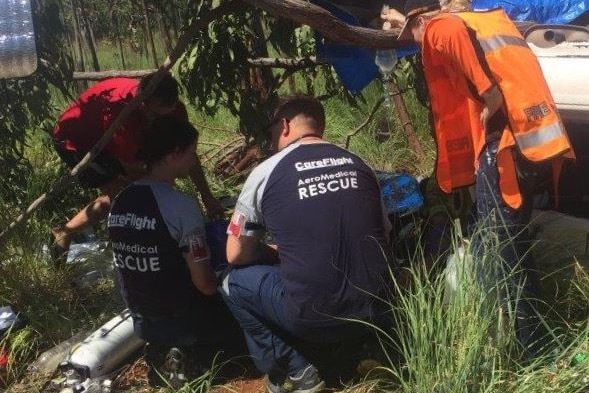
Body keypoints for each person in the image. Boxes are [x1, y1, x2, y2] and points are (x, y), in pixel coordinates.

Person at [390, 0, 574, 353]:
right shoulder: (491, 24)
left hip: (503, 150)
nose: (414, 41)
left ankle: (522, 348)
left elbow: (456, 41)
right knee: (512, 248)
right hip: (522, 147)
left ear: (421, 17)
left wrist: (489, 98)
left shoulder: (443, 26)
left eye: (409, 31)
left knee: (498, 252)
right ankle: (537, 340)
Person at [220, 96, 390, 392]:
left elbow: (235, 253)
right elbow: (382, 235)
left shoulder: (266, 171)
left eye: (272, 130)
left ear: (284, 125)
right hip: (373, 311)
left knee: (231, 282)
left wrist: (271, 252)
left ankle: (293, 371)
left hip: (311, 318)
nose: (272, 138)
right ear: (319, 127)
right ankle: (368, 348)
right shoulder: (360, 165)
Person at [107, 116, 236, 386]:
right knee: (242, 288)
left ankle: (164, 349)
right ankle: (192, 352)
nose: (194, 160)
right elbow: (205, 285)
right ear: (175, 152)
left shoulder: (120, 201)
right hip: (182, 315)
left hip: (141, 317)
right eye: (191, 153)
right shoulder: (179, 205)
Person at [51, 73, 223, 261]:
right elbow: (131, 168)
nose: (150, 117)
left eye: (156, 115)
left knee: (129, 193)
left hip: (112, 136)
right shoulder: (123, 112)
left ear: (173, 105)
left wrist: (207, 197)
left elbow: (187, 153)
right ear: (141, 98)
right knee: (125, 195)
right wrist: (167, 195)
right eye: (147, 110)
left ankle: (67, 231)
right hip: (77, 138)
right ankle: (131, 245)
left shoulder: (175, 113)